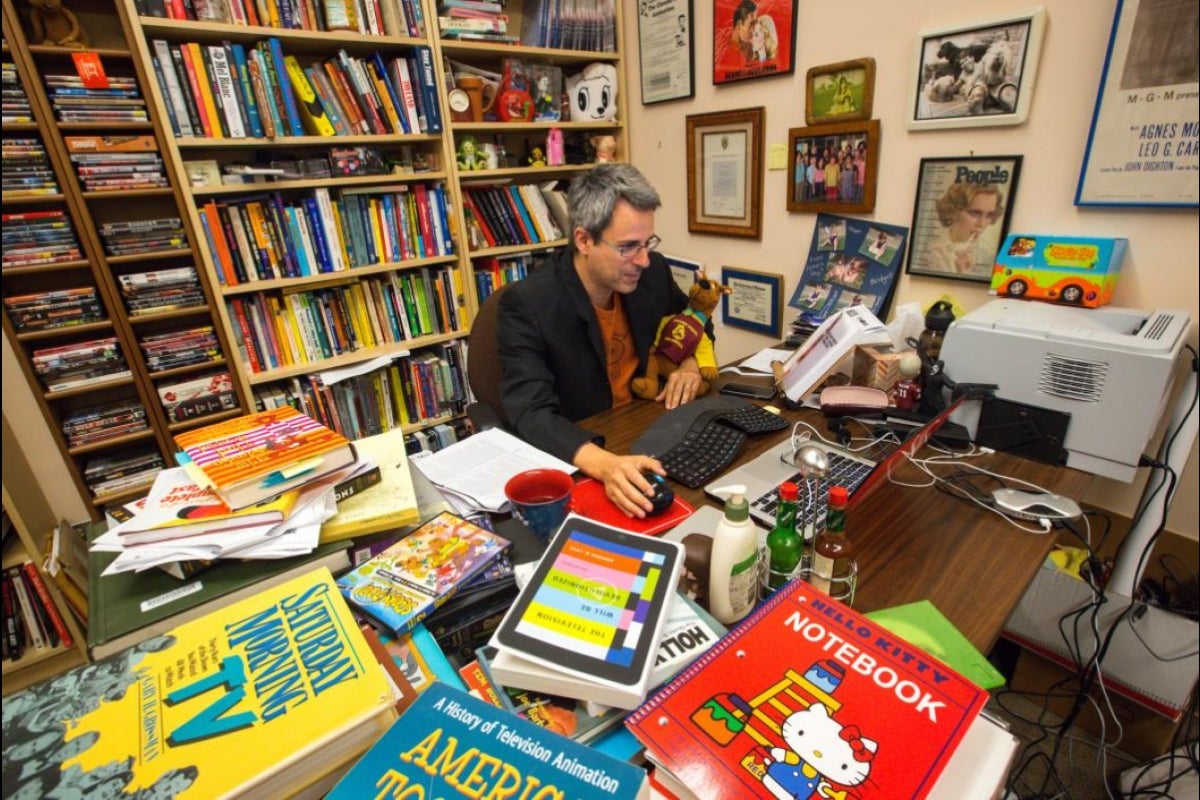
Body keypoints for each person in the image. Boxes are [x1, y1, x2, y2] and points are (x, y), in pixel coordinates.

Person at [498, 164, 703, 518]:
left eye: (647, 243)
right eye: (627, 247)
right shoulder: (528, 304)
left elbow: (693, 319)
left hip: (648, 428)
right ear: (584, 240)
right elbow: (530, 413)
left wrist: (689, 362)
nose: (643, 260)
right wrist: (607, 465)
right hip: (587, 452)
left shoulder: (652, 273)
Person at [924, 181, 1006, 276]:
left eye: (989, 215)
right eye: (974, 213)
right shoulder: (932, 253)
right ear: (953, 211)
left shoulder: (988, 255)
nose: (982, 224)